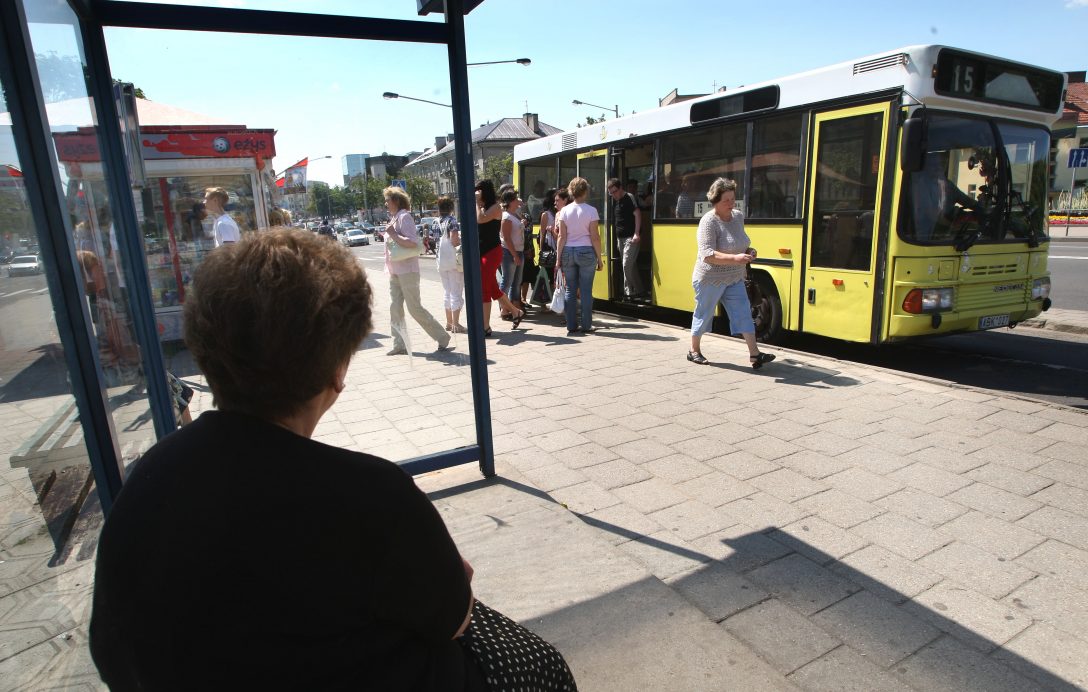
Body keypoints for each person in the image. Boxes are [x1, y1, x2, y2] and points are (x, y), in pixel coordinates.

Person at [88, 228, 577, 691]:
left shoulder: (149, 478)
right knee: (542, 665)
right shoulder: (371, 495)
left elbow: (112, 645)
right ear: (337, 371)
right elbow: (453, 616)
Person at [688, 177, 776, 369]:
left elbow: (740, 243)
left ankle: (755, 354)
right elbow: (707, 254)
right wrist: (735, 258)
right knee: (704, 313)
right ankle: (693, 350)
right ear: (715, 202)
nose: (731, 204)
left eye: (732, 199)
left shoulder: (737, 217)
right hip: (710, 277)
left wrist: (748, 252)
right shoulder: (708, 222)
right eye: (725, 200)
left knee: (743, 312)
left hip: (734, 276)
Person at [383, 186, 452, 355]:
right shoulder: (394, 218)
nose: (385, 204)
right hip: (395, 270)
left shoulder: (404, 217)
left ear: (396, 201)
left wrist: (392, 234)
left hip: (407, 270)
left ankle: (442, 337)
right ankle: (399, 344)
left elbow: (413, 243)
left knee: (414, 308)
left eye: (387, 200)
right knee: (395, 307)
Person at [475, 179, 524, 336]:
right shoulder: (482, 207)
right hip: (483, 252)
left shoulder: (495, 207)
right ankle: (516, 312)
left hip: (492, 252)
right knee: (493, 289)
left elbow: (481, 219)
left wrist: (476, 202)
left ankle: (485, 327)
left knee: (485, 289)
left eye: (478, 192)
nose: (476, 195)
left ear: (484, 192)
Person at [555, 177, 602, 335]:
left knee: (570, 289)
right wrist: (599, 259)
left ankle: (571, 325)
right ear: (585, 191)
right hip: (586, 252)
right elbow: (595, 237)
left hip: (568, 251)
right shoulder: (591, 211)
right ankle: (587, 325)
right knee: (586, 290)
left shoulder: (564, 211)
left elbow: (561, 236)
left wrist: (558, 259)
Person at [434, 196, 466, 333]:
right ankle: (456, 324)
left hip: (440, 261)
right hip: (453, 262)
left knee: (447, 292)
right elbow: (454, 240)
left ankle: (448, 323)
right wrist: (461, 242)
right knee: (456, 292)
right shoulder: (452, 221)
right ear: (451, 207)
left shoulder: (435, 222)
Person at [607, 177, 643, 301]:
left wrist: (636, 233)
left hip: (631, 237)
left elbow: (637, 214)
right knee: (630, 266)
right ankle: (639, 290)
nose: (613, 195)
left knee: (626, 264)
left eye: (615, 191)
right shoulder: (615, 200)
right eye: (610, 193)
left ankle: (629, 293)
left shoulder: (629, 197)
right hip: (620, 238)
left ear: (621, 188)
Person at [498, 189, 525, 320]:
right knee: (507, 281)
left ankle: (515, 307)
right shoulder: (506, 217)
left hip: (518, 251)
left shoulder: (514, 214)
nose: (517, 201)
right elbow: (507, 238)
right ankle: (504, 309)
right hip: (509, 252)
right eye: (515, 199)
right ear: (510, 201)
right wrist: (515, 255)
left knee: (517, 282)